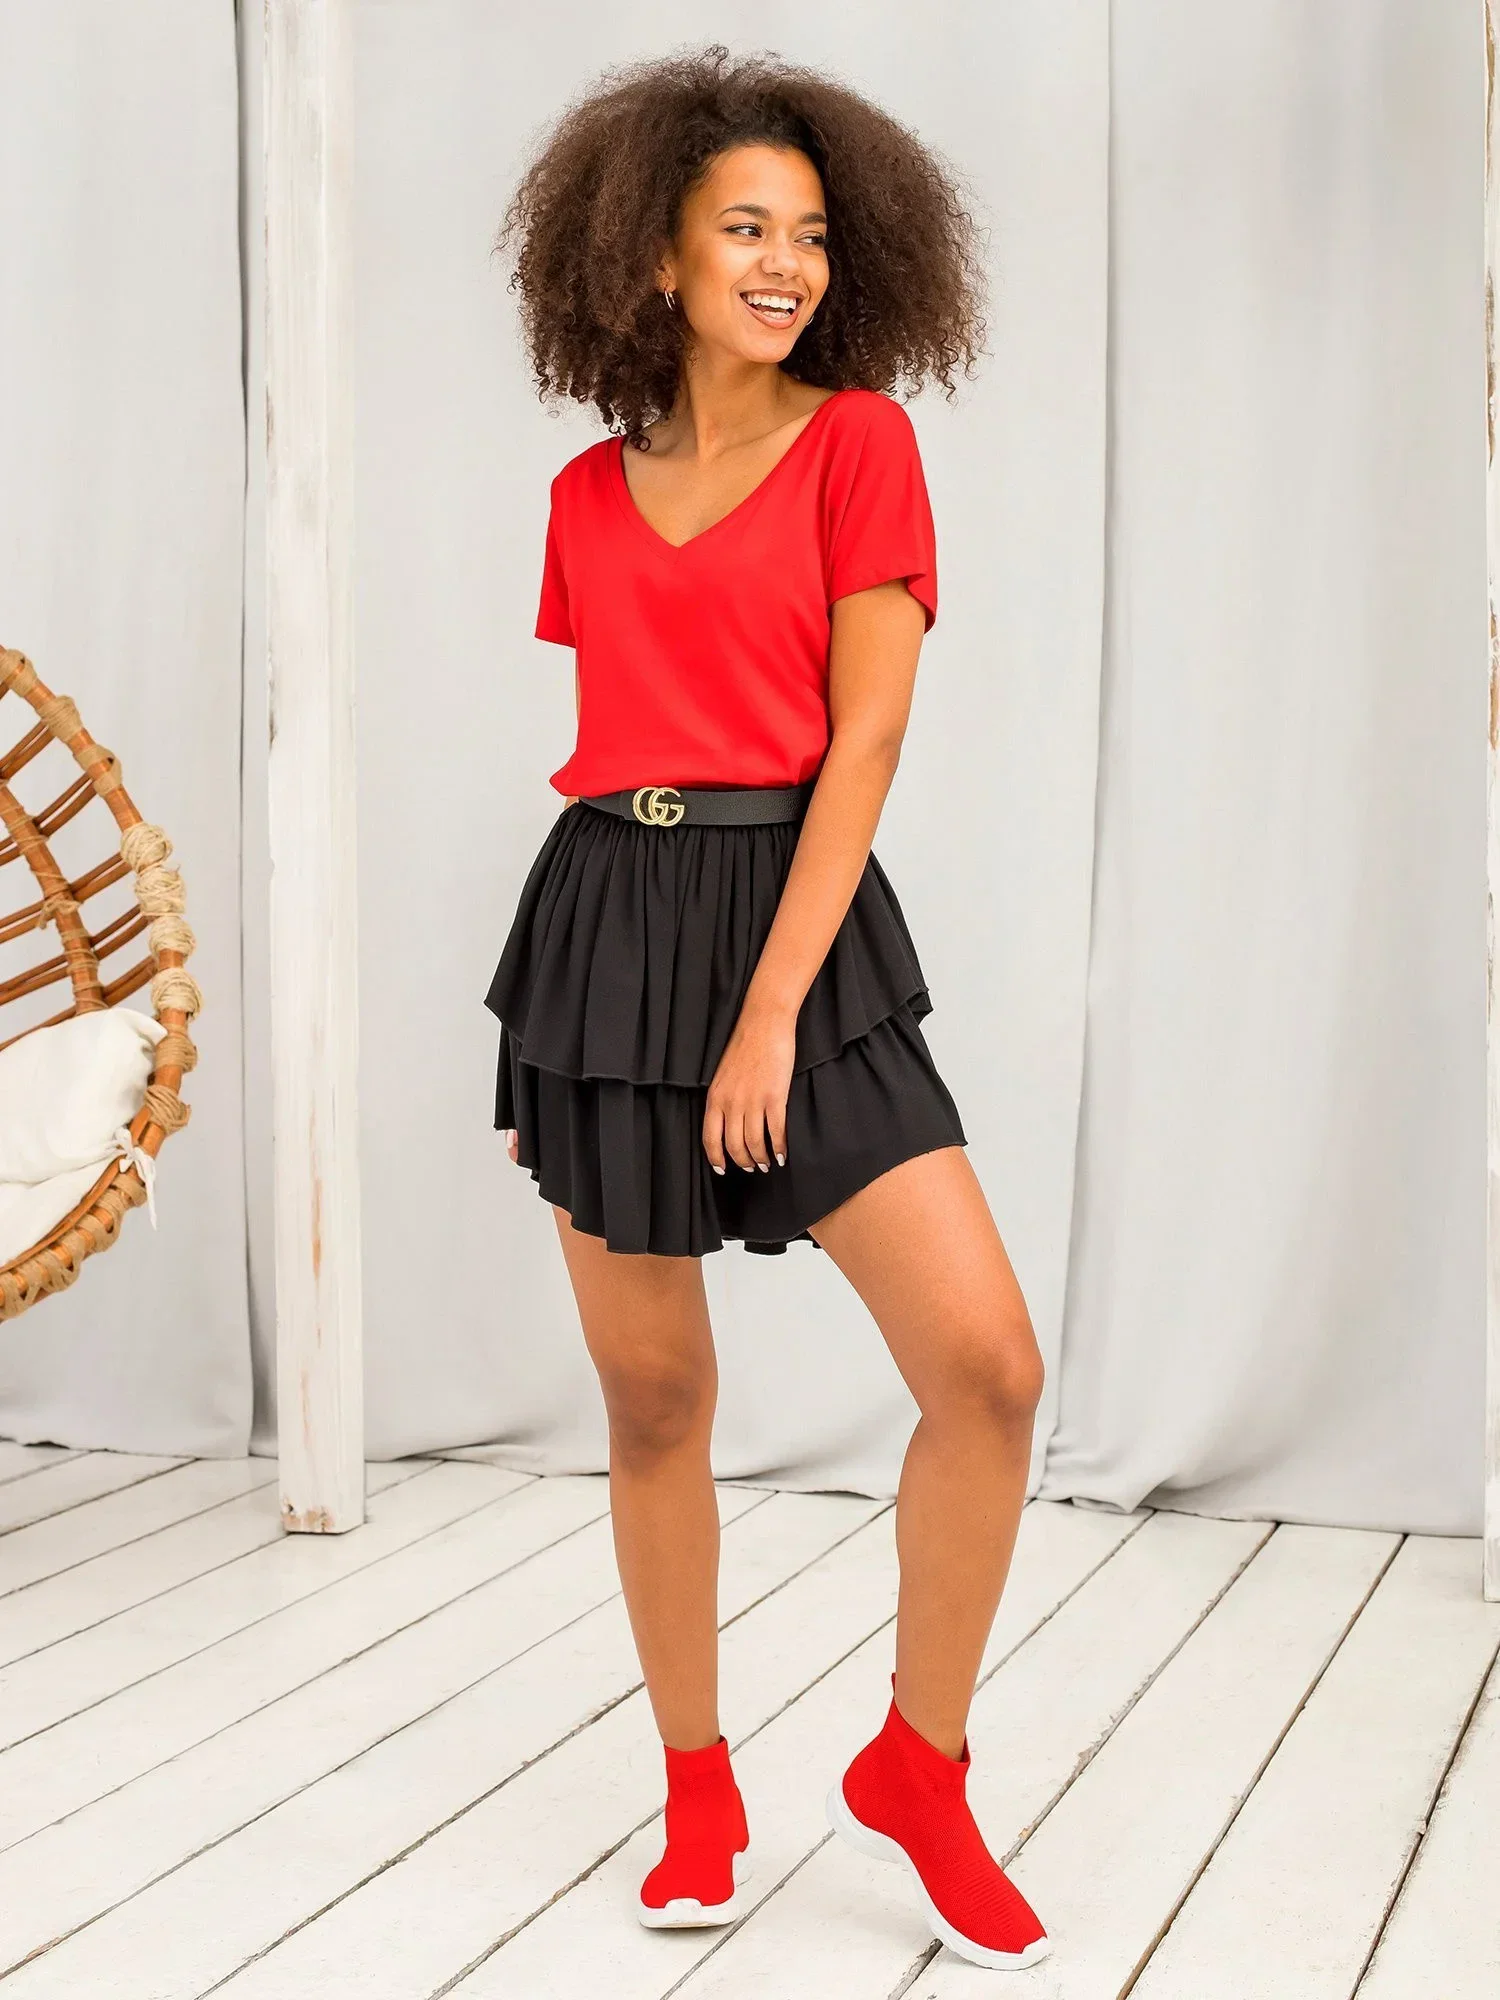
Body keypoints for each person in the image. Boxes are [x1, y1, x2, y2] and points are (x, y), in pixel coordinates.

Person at [484, 45, 1051, 1971]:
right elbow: (624, 749)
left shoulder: (861, 445)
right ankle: (698, 1785)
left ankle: (919, 1765)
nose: (784, 263)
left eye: (808, 233)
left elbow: (863, 742)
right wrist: (586, 1026)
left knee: (987, 1369)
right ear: (651, 255)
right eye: (743, 227)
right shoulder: (584, 494)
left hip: (795, 924)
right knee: (655, 1398)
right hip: (603, 934)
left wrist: (769, 1014)